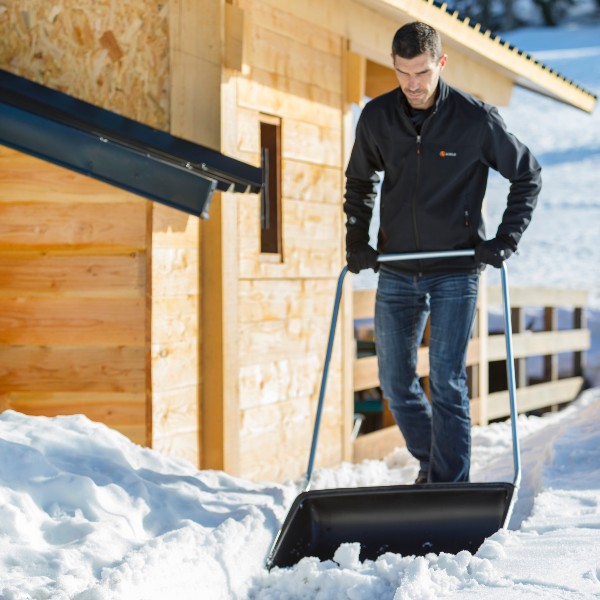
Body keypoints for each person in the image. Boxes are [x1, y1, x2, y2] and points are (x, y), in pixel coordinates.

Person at [344, 21, 541, 483]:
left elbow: (527, 175)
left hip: (457, 268)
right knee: (394, 380)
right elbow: (360, 180)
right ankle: (435, 465)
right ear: (393, 67)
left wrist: (505, 240)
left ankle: (449, 486)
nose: (413, 85)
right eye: (403, 73)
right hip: (397, 269)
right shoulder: (377, 117)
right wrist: (357, 240)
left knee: (448, 380)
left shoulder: (475, 120)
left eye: (423, 73)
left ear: (441, 64)